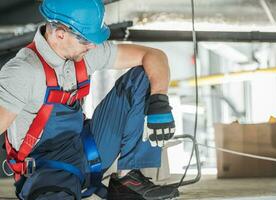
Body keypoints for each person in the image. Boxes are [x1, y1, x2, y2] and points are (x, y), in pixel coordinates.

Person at [0, 0, 179, 199]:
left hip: (85, 148)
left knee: (145, 76)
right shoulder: (23, 71)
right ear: (60, 33)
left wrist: (159, 99)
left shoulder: (83, 53)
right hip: (45, 168)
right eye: (86, 40)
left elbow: (153, 55)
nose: (93, 45)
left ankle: (129, 179)